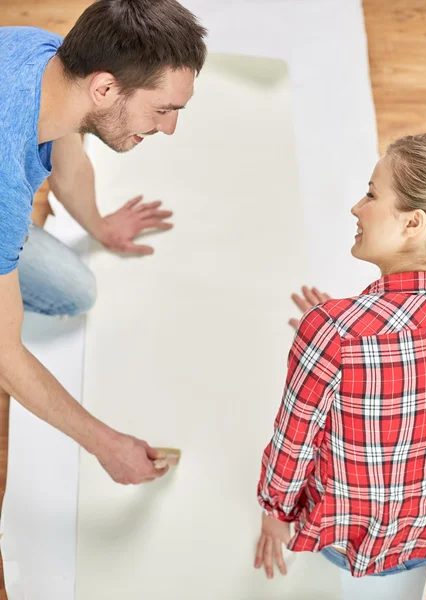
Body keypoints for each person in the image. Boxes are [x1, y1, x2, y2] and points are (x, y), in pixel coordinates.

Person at [0, 0, 206, 563]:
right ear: (106, 89)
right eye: (162, 109)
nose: (169, 128)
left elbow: (68, 166)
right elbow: (4, 354)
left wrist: (99, 226)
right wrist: (106, 445)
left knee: (74, 288)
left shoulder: (47, 59)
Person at [254, 133, 426, 599]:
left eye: (372, 194)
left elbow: (292, 447)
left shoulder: (333, 332)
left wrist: (276, 516)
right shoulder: (343, 330)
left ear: (413, 222)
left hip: (359, 535)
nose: (357, 208)